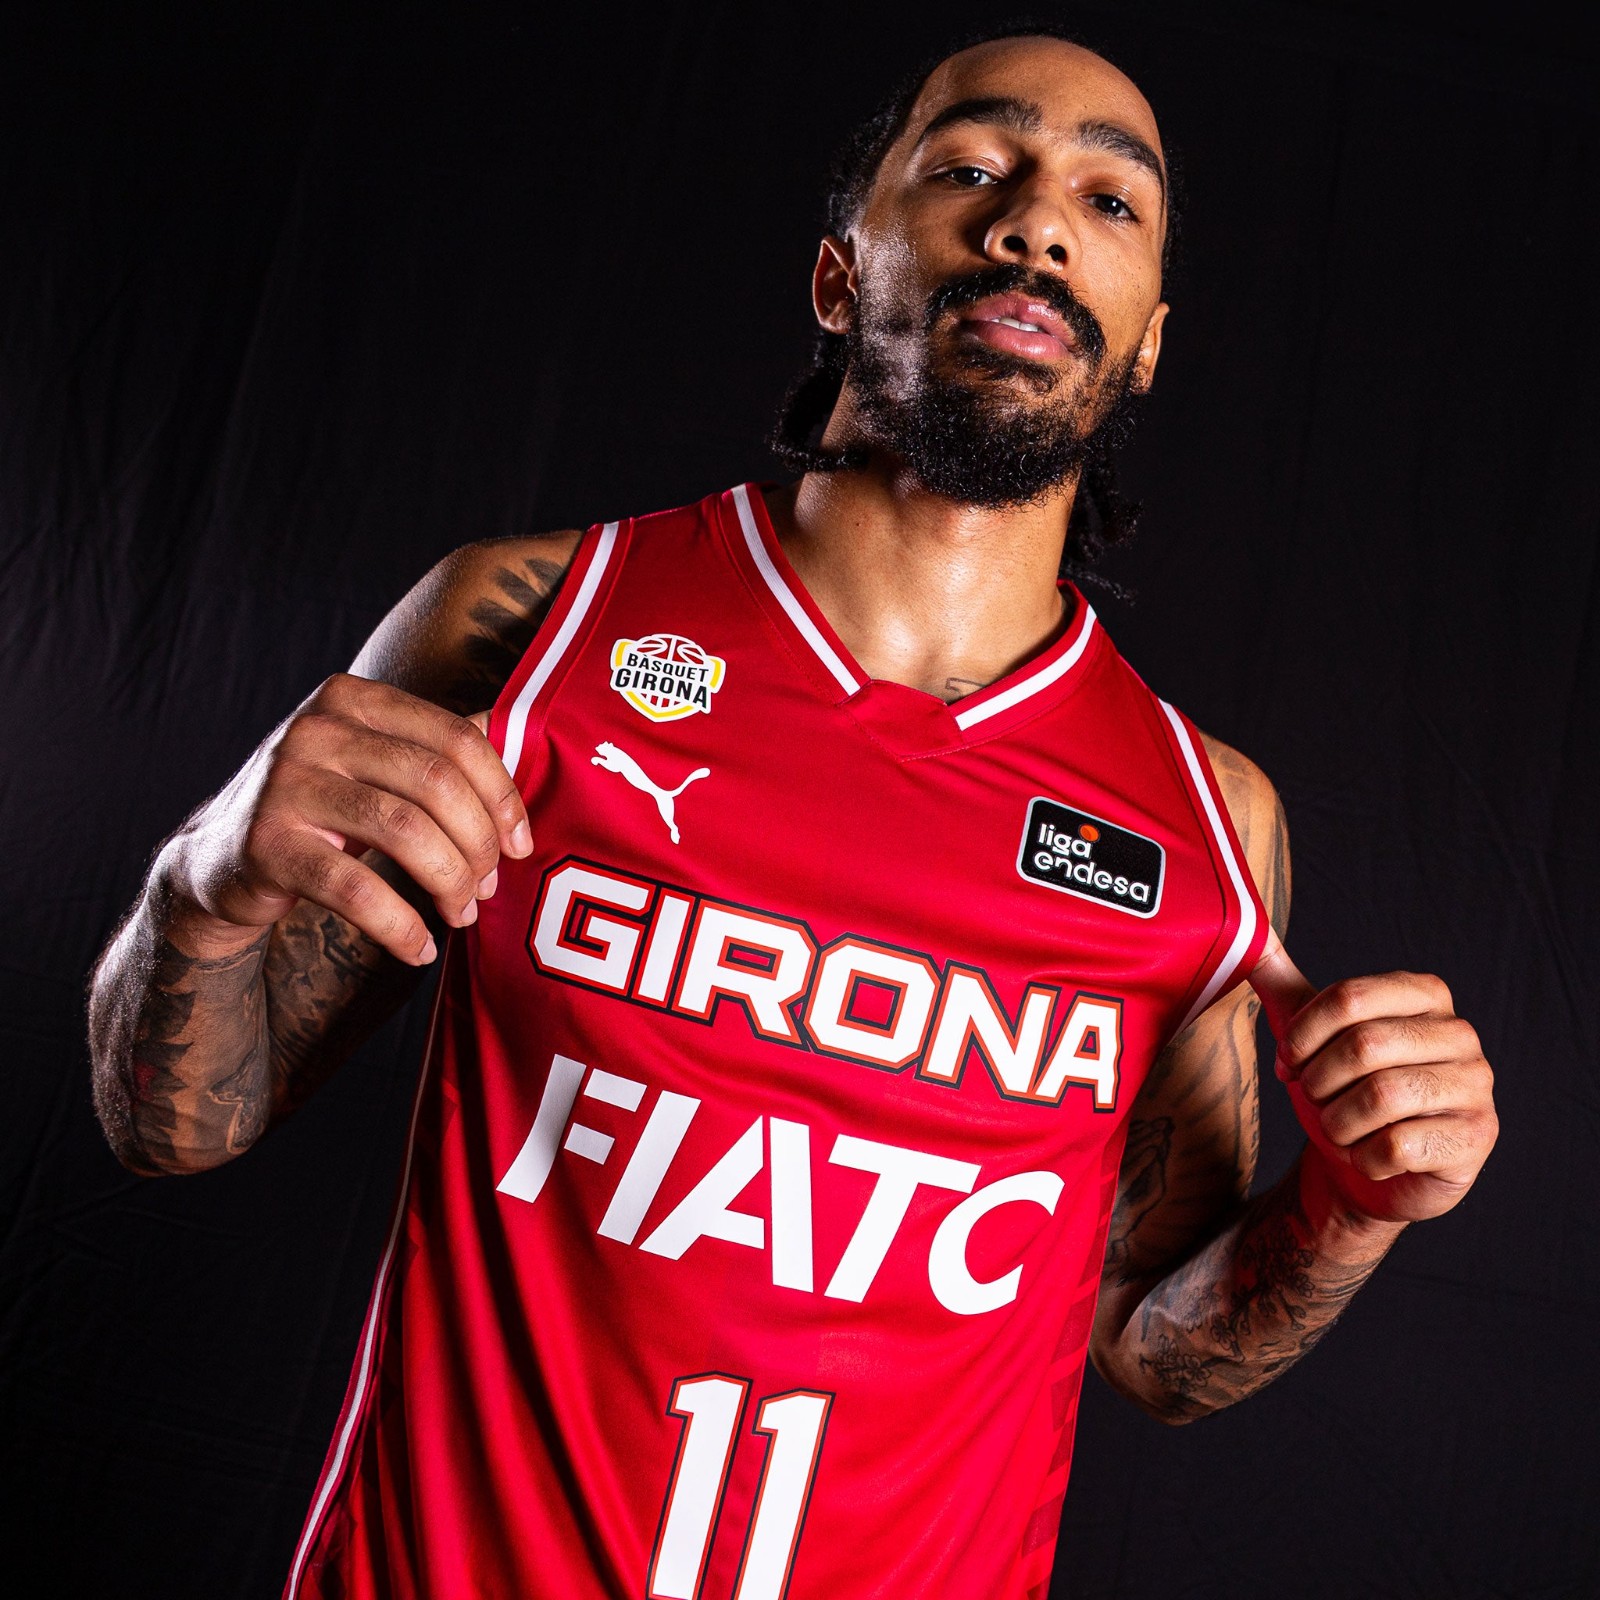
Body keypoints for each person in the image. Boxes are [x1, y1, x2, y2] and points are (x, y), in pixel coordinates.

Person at [87, 30, 1498, 1600]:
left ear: (1146, 343)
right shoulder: (534, 627)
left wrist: (1357, 1204)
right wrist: (204, 886)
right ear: (837, 277)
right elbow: (176, 1125)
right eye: (971, 167)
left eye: (1110, 202)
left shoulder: (1204, 818)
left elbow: (1159, 1352)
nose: (1035, 221)